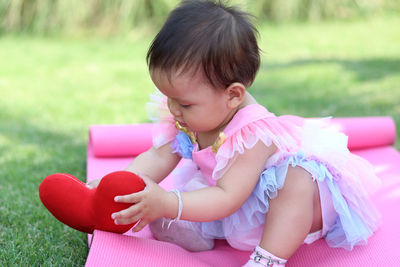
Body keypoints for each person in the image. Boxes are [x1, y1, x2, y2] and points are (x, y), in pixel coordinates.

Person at [87, 0, 381, 266]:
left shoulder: (252, 134)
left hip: (281, 206)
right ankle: (194, 231)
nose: (174, 109)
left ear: (233, 95)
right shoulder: (190, 112)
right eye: (169, 98)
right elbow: (160, 154)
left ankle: (268, 258)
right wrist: (119, 186)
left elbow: (229, 198)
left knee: (296, 181)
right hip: (231, 195)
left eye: (185, 103)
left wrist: (168, 202)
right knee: (178, 201)